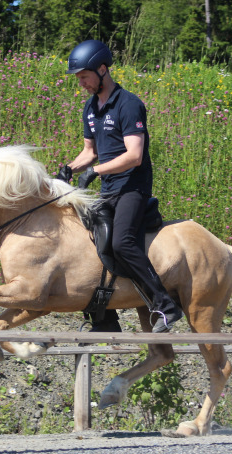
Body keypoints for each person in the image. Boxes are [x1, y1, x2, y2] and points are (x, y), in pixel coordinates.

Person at [57, 39, 183, 334]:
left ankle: (165, 303)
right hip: (108, 190)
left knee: (121, 242)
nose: (82, 84)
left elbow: (134, 156)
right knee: (87, 241)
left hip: (132, 188)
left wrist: (95, 171)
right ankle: (105, 318)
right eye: (79, 79)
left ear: (102, 69)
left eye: (84, 77)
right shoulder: (91, 107)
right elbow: (90, 152)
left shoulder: (129, 104)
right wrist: (70, 168)